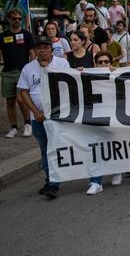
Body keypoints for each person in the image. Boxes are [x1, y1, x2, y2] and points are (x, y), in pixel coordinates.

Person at [17, 35, 70, 198]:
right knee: (45, 150)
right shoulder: (28, 68)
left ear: (51, 48)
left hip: (57, 116)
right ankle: (50, 180)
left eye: (46, 47)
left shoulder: (62, 64)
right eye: (39, 47)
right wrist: (36, 111)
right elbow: (23, 93)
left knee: (54, 148)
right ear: (35, 50)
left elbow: (69, 86)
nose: (43, 50)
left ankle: (53, 183)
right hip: (38, 118)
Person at [84, 51, 123, 194]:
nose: (103, 64)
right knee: (94, 148)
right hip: (94, 117)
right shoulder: (88, 75)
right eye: (100, 62)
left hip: (113, 118)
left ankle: (117, 171)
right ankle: (96, 182)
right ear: (95, 64)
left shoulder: (117, 74)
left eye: (106, 61)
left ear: (111, 63)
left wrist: (117, 73)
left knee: (113, 147)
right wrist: (79, 73)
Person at [1, 8, 34, 138]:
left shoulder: (26, 34)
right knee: (10, 101)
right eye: (14, 18)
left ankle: (27, 124)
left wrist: (32, 70)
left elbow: (32, 53)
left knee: (21, 99)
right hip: (8, 72)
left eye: (19, 18)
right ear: (8, 19)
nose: (17, 21)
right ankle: (13, 127)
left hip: (22, 71)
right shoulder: (3, 36)